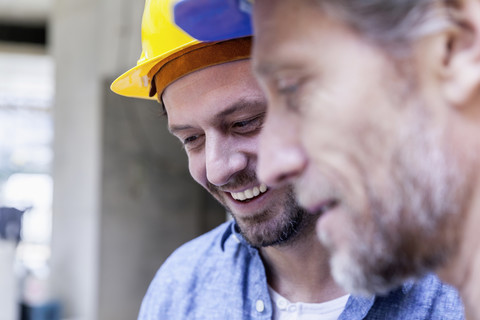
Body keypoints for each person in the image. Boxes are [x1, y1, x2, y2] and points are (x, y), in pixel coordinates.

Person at [111, 0, 466, 319]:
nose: (219, 170)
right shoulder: (181, 288)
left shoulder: (457, 287)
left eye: (245, 123)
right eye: (192, 139)